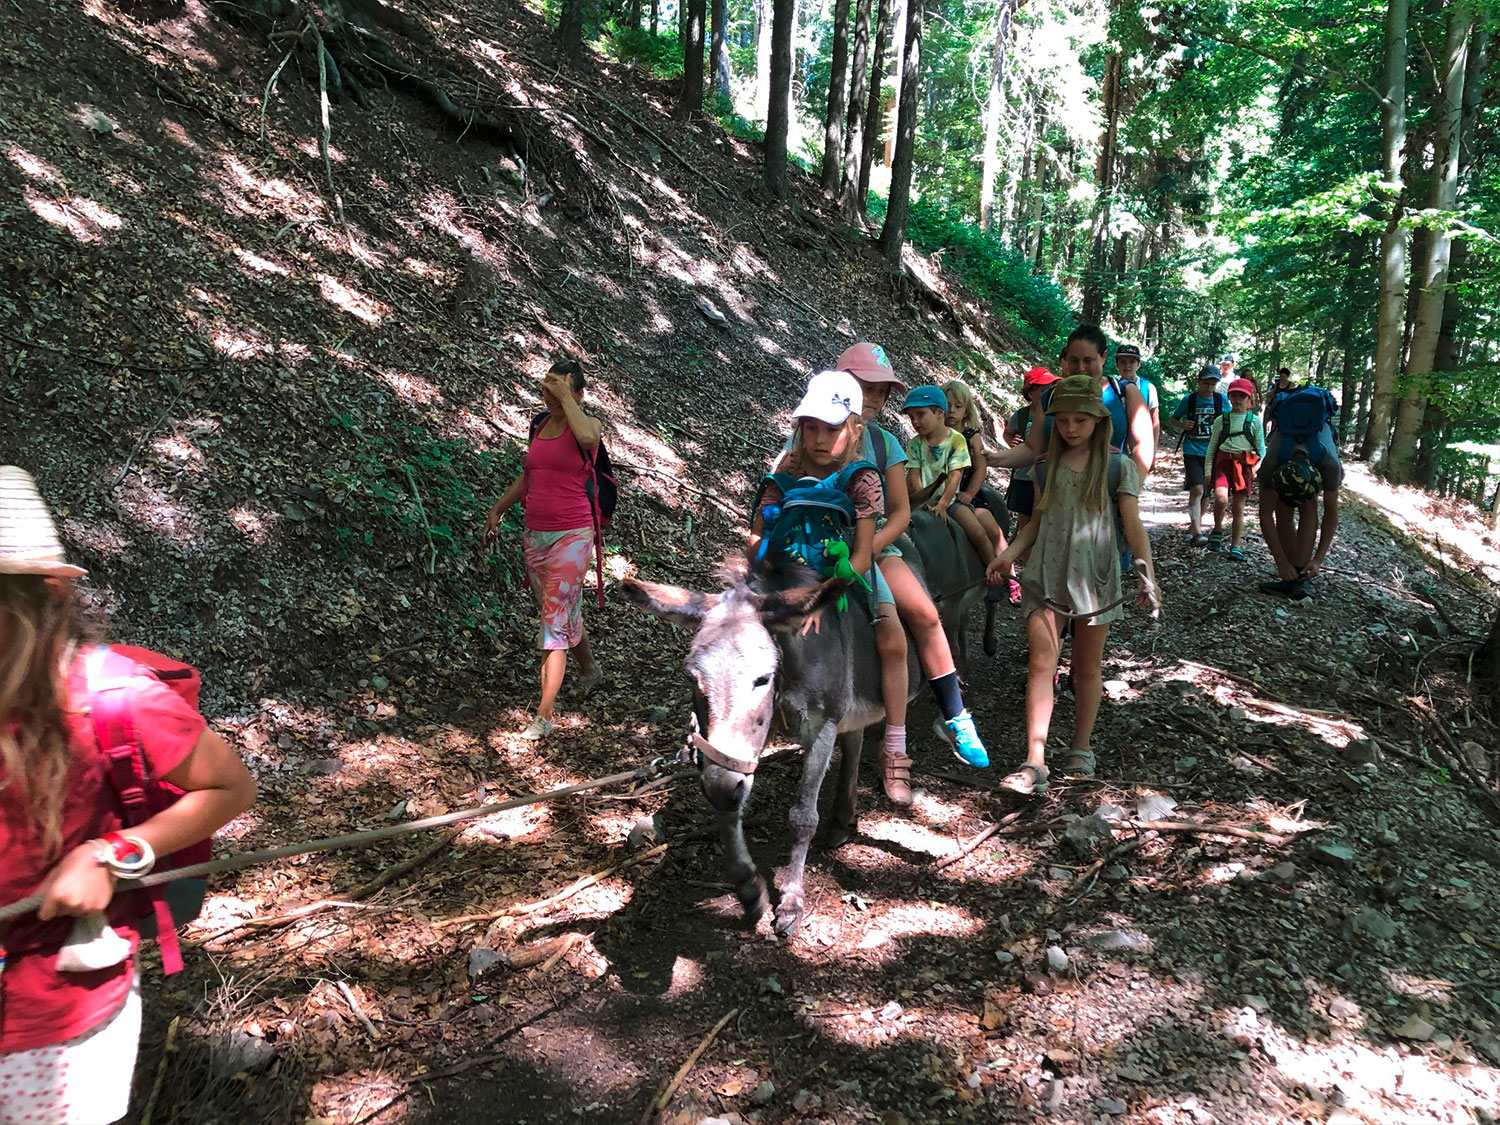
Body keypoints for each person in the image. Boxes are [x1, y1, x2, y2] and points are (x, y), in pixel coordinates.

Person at [0, 466, 256, 1124]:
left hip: (55, 1017)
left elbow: (229, 784)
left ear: (34, 601)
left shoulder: (111, 695)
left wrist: (111, 852)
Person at [981, 379, 1159, 794]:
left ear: (1099, 421)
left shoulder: (1119, 467)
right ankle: (1034, 760)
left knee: (1086, 667)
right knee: (1042, 663)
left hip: (1095, 577)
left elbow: (1133, 527)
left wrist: (1148, 573)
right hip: (1045, 572)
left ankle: (1081, 747)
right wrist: (1008, 555)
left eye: (1081, 420)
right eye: (1063, 420)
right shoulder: (1043, 466)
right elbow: (1038, 523)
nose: (1071, 428)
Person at [752, 371, 918, 804]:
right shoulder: (785, 468)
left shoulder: (861, 477)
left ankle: (895, 742)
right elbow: (758, 532)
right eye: (811, 427)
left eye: (831, 429)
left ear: (853, 430)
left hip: (843, 571)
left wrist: (824, 592)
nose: (819, 439)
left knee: (891, 634)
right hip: (783, 573)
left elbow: (862, 554)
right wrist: (763, 568)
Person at [834, 343, 989, 772]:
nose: (872, 398)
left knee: (924, 615)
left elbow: (901, 511)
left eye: (881, 392)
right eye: (864, 386)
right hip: (818, 549)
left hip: (878, 547)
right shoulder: (814, 431)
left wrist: (870, 546)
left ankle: (955, 714)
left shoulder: (886, 445)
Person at [483, 358, 605, 741]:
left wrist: (568, 399)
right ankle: (590, 670)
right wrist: (498, 509)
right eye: (546, 391)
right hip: (535, 534)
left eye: (559, 392)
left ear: (578, 394)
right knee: (561, 609)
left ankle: (544, 715)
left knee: (553, 619)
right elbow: (531, 473)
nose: (549, 398)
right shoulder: (538, 426)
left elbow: (588, 439)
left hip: (573, 534)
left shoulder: (587, 426)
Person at [991, 326, 1155, 485]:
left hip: (1109, 501)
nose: (1081, 368)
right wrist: (991, 459)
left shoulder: (1125, 393)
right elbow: (1032, 449)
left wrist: (1128, 491)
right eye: (1074, 360)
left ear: (1103, 357)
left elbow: (1143, 447)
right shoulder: (1050, 397)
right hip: (1058, 498)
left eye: (1088, 360)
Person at [899, 385, 1001, 586]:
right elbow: (914, 474)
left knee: (978, 532)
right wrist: (919, 499)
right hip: (923, 500)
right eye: (912, 417)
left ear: (939, 413)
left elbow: (955, 475)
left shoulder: (957, 440)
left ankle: (993, 573)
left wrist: (944, 504)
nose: (916, 421)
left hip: (950, 500)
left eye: (920, 414)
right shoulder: (915, 444)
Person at [1259, 382, 1342, 601]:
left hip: (1315, 449)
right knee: (1282, 508)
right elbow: (1265, 514)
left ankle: (1301, 574)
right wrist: (1280, 562)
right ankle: (1291, 575)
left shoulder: (1329, 465)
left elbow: (1331, 513)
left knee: (1309, 505)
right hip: (1285, 452)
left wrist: (1318, 560)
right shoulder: (1271, 464)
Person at [944, 379, 1017, 604]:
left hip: (968, 493)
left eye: (957, 406)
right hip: (939, 493)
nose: (952, 411)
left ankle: (1006, 577)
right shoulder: (935, 433)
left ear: (966, 410)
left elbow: (980, 468)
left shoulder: (970, 436)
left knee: (991, 532)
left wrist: (970, 494)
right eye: (947, 405)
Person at [1203, 378, 1266, 559]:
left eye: (1242, 396)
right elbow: (1212, 447)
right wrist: (1208, 471)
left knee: (1238, 507)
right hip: (1222, 464)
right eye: (1234, 395)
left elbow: (1261, 449)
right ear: (1229, 397)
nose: (1238, 399)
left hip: (1244, 467)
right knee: (1221, 500)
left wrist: (1257, 467)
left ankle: (1235, 546)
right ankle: (1217, 530)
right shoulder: (1221, 421)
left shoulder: (1253, 421)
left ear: (1249, 400)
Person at [1002, 367, 1059, 555]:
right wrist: (1013, 442)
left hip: (1048, 478)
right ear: (1030, 392)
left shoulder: (1056, 415)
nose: (1048, 393)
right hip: (1024, 477)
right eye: (1043, 390)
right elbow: (1008, 433)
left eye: (1051, 389)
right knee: (1026, 525)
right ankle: (1028, 567)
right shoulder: (1022, 415)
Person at [1170, 366, 1229, 545]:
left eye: (1212, 384)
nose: (1209, 388)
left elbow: (1229, 420)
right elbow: (1173, 419)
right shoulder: (1190, 399)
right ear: (1199, 381)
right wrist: (1182, 425)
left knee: (1205, 493)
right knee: (1197, 489)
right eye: (1206, 383)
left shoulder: (1221, 400)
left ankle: (1196, 525)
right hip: (1192, 449)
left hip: (1213, 452)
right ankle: (1196, 531)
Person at [1113, 344, 1160, 466]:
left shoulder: (1148, 388)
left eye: (1132, 361)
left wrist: (1153, 452)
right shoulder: (1112, 388)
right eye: (1123, 361)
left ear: (1138, 364)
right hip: (1118, 446)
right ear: (1117, 364)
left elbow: (1155, 422)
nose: (1127, 365)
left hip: (1140, 446)